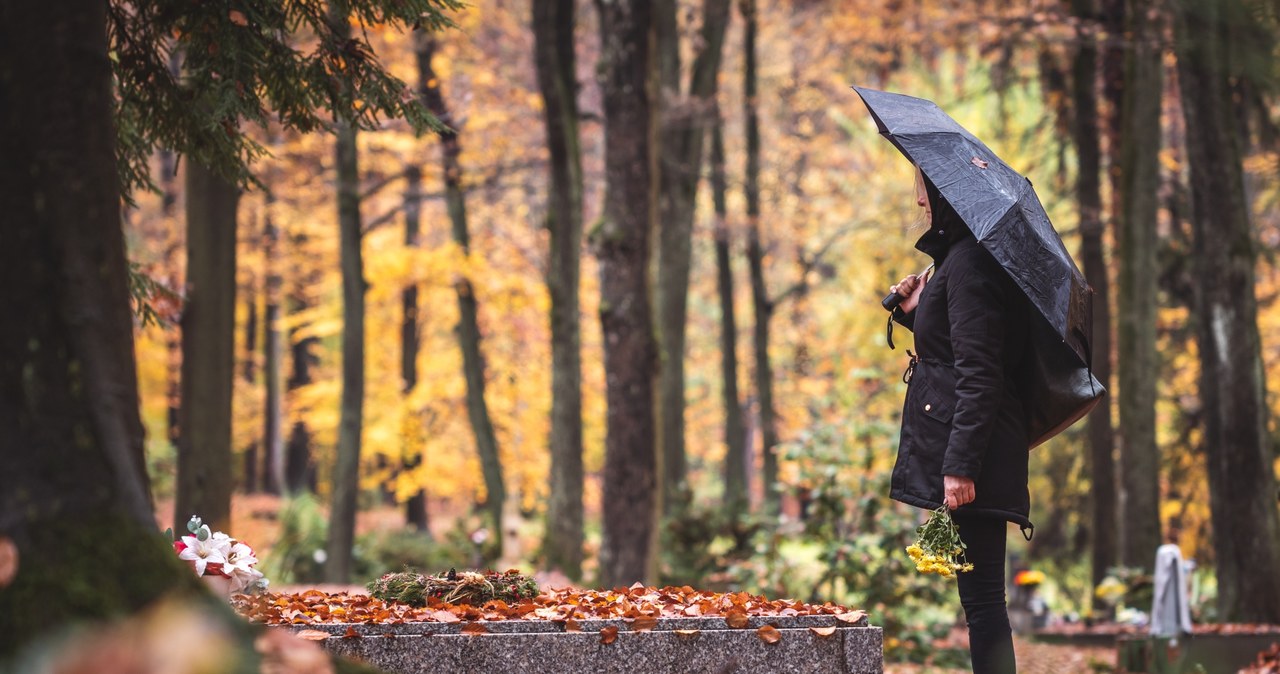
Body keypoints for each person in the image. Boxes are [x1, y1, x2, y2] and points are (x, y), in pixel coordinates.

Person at [887, 168, 1033, 674]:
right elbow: (952, 348)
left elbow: (981, 372)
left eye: (924, 190)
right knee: (981, 603)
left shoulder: (969, 264)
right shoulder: (956, 261)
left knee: (985, 604)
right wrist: (912, 309)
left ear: (946, 196)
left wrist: (960, 466)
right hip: (974, 444)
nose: (920, 202)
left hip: (981, 451)